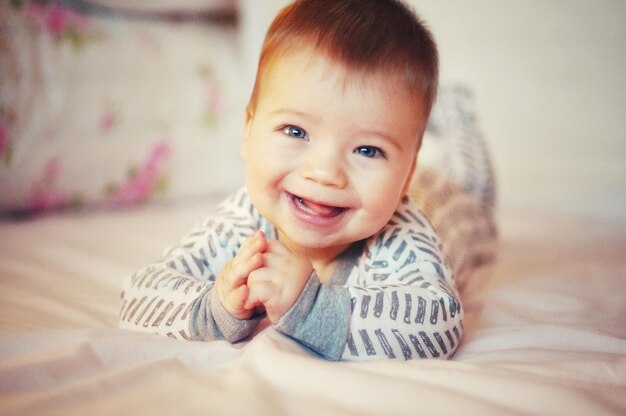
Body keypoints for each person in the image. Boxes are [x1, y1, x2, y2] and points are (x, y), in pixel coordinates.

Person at [120, 0, 465, 361]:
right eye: (296, 130)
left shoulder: (402, 237)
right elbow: (138, 295)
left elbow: (440, 325)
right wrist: (214, 306)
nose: (324, 173)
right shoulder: (241, 223)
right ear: (248, 130)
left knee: (464, 185)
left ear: (406, 172)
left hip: (451, 214)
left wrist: (312, 308)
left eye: (367, 150)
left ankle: (458, 121)